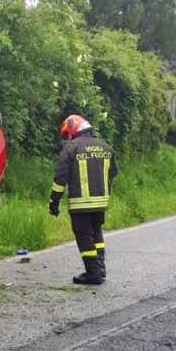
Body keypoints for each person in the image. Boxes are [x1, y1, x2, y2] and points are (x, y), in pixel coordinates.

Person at [48, 114, 118, 285]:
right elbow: (114, 171)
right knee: (96, 231)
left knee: (84, 234)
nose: (67, 139)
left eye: (67, 135)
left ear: (73, 130)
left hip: (81, 203)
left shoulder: (72, 148)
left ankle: (93, 274)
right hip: (101, 202)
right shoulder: (105, 147)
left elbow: (60, 178)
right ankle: (100, 269)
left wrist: (54, 201)